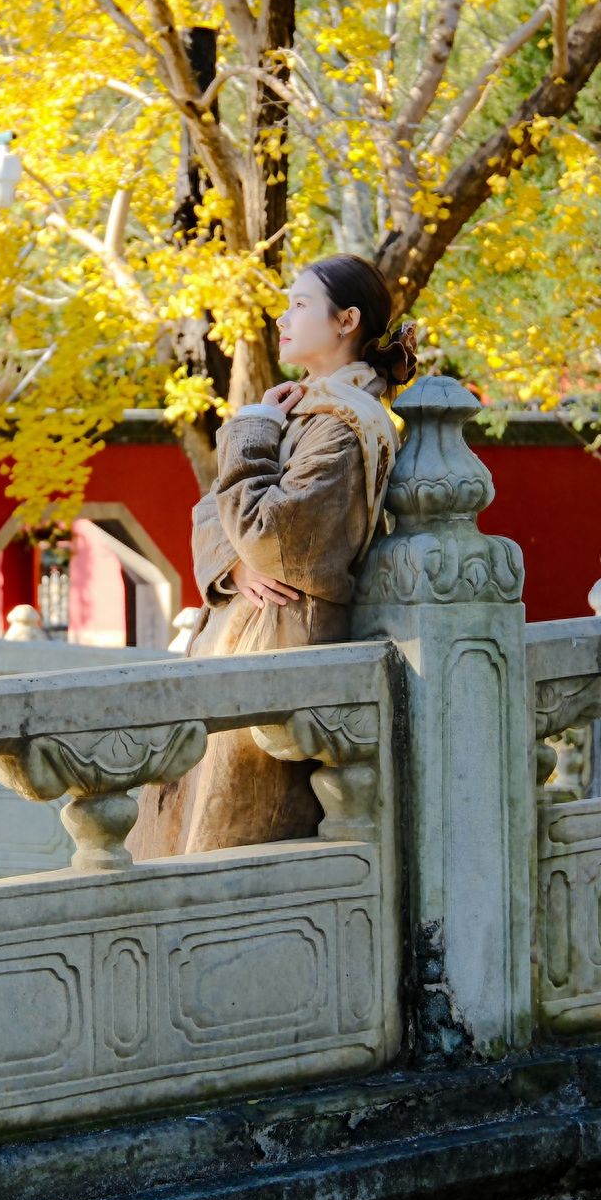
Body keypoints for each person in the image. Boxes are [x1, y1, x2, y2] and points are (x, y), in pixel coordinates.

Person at [128, 255, 416, 860]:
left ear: (347, 321)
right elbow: (211, 513)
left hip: (280, 642)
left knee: (233, 840)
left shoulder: (346, 426)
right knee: (191, 833)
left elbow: (269, 532)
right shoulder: (299, 409)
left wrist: (250, 433)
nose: (283, 318)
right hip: (245, 629)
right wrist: (233, 567)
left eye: (301, 305)